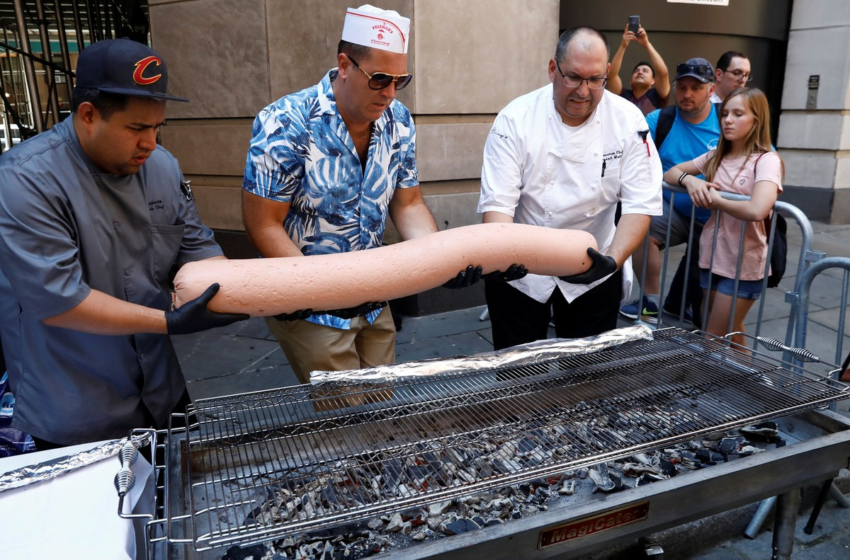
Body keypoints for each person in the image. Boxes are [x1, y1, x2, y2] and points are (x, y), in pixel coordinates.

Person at [242, 5, 517, 383]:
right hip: (310, 302)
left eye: (399, 81)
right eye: (379, 78)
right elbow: (263, 224)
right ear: (344, 64)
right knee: (346, 412)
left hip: (375, 294)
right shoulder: (285, 121)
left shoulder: (398, 121)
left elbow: (408, 204)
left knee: (380, 402)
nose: (389, 93)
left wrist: (441, 261)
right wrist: (304, 291)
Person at [0, 39, 247, 449]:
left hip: (160, 387)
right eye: (136, 128)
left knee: (181, 500)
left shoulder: (162, 167)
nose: (150, 143)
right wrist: (168, 321)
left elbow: (197, 248)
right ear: (88, 115)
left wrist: (262, 295)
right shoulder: (23, 179)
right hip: (76, 400)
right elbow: (58, 298)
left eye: (156, 127)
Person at [478, 27, 663, 350]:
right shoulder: (515, 120)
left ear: (607, 73)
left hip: (597, 262)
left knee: (588, 376)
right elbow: (498, 209)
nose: (584, 91)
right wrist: (504, 258)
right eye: (573, 78)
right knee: (517, 374)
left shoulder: (628, 120)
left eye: (595, 80)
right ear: (553, 69)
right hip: (520, 268)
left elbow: (640, 204)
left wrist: (613, 259)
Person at [663, 88, 782, 346]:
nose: (727, 119)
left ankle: (715, 383)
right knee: (732, 331)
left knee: (712, 337)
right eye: (725, 113)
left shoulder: (766, 160)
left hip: (744, 263)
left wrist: (716, 200)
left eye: (738, 114)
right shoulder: (717, 155)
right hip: (711, 255)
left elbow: (757, 209)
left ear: (756, 121)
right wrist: (691, 182)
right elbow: (671, 173)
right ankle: (748, 381)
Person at [620, 58, 720, 324]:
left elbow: (765, 159)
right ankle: (650, 304)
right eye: (682, 87)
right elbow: (631, 157)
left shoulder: (727, 119)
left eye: (696, 88)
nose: (687, 94)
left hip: (718, 217)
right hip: (671, 209)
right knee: (640, 225)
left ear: (711, 90)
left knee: (710, 313)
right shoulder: (659, 119)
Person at [607, 23, 670, 116]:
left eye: (645, 71)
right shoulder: (622, 95)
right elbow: (612, 75)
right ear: (630, 81)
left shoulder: (658, 96)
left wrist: (646, 44)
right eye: (636, 71)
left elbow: (663, 73)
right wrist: (623, 45)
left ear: (653, 81)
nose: (640, 72)